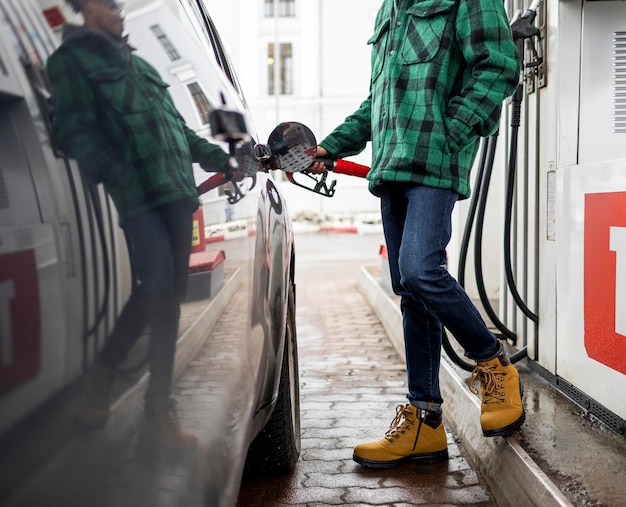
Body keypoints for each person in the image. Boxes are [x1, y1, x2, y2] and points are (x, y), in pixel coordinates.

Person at [310, 0, 524, 467]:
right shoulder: (389, 10)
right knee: (409, 290)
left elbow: (499, 64)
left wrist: (454, 129)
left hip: (435, 161)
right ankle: (425, 421)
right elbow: (377, 102)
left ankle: (492, 363)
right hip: (392, 169)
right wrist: (329, 146)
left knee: (421, 269)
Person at [47, 0, 233, 449]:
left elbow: (178, 131)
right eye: (109, 4)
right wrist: (118, 171)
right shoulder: (71, 61)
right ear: (85, 8)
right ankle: (148, 408)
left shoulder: (140, 63)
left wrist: (223, 158)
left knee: (163, 294)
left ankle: (143, 407)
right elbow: (70, 132)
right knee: (158, 293)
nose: (118, 10)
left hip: (177, 195)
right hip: (139, 195)